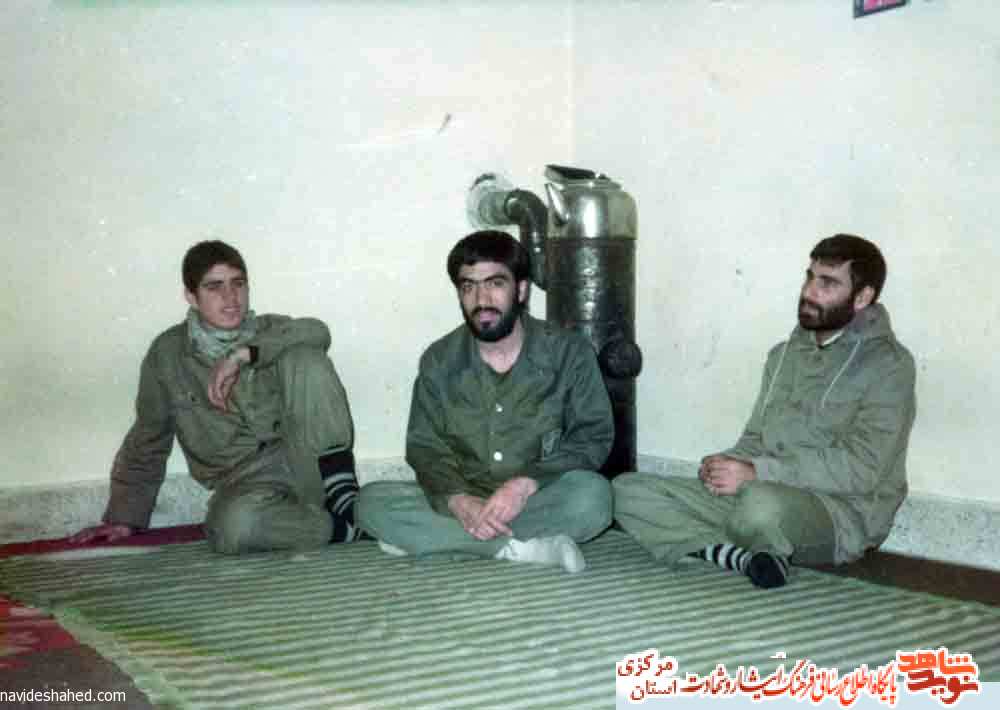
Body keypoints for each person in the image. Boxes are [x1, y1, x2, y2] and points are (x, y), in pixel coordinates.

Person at [614, 234, 916, 588]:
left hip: (838, 513)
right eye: (809, 277)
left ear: (862, 298)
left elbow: (863, 468)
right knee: (626, 490)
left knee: (758, 507)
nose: (809, 291)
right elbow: (756, 437)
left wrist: (757, 472)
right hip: (763, 488)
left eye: (827, 283)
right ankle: (742, 556)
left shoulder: (889, 365)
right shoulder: (782, 355)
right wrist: (725, 466)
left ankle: (727, 543)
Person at [71, 240, 360, 554]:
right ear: (191, 296)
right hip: (247, 482)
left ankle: (342, 494)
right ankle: (344, 527)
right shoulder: (167, 355)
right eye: (214, 286)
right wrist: (123, 518)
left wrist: (245, 354)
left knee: (305, 356)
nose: (230, 297)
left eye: (238, 283)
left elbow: (318, 330)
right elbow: (148, 437)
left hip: (310, 460)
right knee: (232, 529)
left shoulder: (272, 329)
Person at [357, 230, 614, 573]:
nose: (481, 299)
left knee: (594, 499)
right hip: (465, 495)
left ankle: (438, 539)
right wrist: (458, 500)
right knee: (370, 503)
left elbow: (592, 437)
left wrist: (524, 485)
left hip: (538, 494)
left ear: (520, 290)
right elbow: (425, 447)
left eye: (495, 284)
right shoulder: (439, 360)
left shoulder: (569, 352)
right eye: (468, 287)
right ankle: (521, 547)